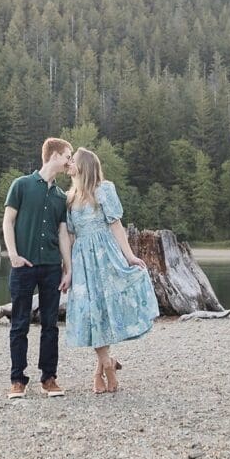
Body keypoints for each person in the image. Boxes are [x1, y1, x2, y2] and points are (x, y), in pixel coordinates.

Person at [65, 147, 159, 393]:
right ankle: (107, 364)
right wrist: (69, 268)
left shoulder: (104, 190)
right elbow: (71, 236)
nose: (69, 164)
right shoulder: (70, 197)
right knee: (91, 312)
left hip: (105, 256)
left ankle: (101, 369)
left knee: (104, 311)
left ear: (84, 166)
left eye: (72, 161)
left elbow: (116, 226)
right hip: (82, 260)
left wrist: (129, 257)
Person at [2, 137, 73, 399]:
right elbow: (8, 222)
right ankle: (17, 380)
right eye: (68, 155)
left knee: (50, 325)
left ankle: (49, 378)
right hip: (23, 266)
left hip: (52, 267)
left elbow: (63, 233)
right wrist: (13, 255)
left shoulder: (60, 197)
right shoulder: (21, 185)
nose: (70, 161)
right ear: (54, 155)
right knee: (19, 324)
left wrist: (68, 268)